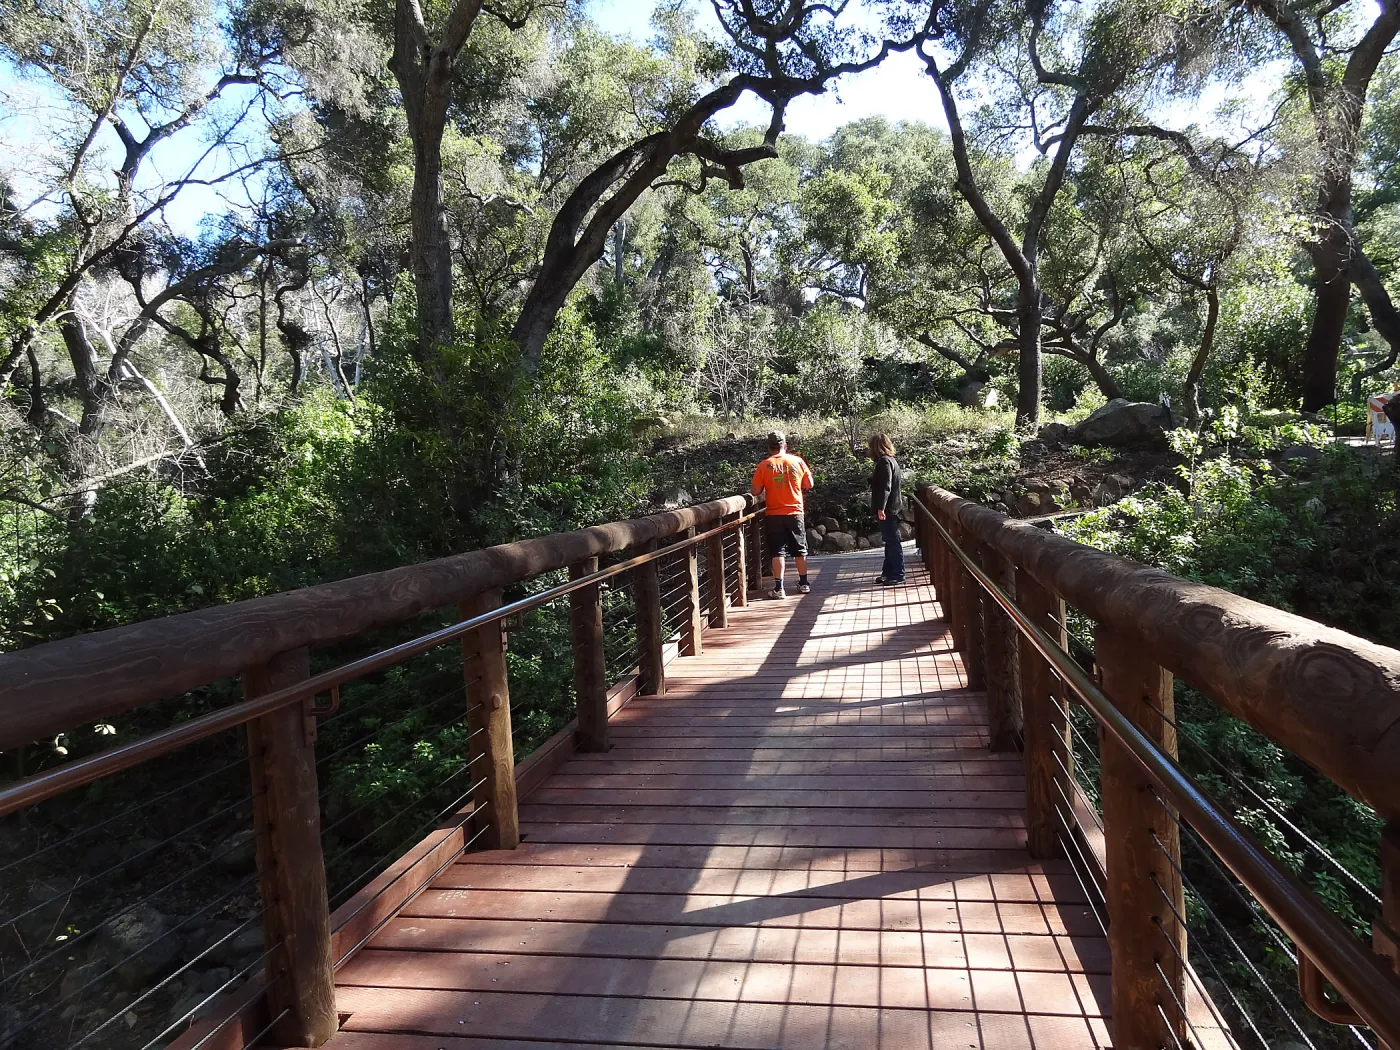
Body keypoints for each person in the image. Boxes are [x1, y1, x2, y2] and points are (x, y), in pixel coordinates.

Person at [750, 430, 814, 599]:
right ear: (785, 445)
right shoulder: (797, 462)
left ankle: (779, 588)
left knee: (777, 551)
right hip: (795, 511)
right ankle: (804, 583)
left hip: (774, 513)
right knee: (800, 549)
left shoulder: (764, 465)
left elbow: (755, 491)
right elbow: (809, 484)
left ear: (769, 448)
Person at [869, 433, 905, 585]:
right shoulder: (891, 461)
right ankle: (888, 572)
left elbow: (886, 487)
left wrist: (880, 508)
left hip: (888, 508)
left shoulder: (884, 462)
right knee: (889, 540)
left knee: (892, 541)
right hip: (893, 507)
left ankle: (898, 574)